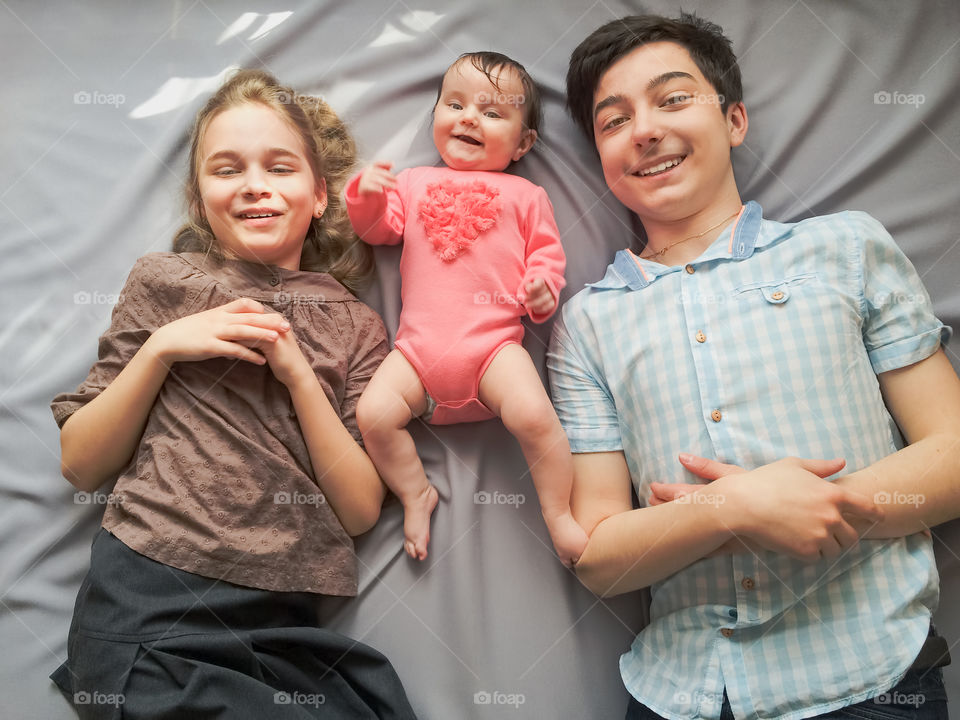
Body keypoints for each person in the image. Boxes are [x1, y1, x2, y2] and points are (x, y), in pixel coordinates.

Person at [551, 13, 960, 720]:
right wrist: (729, 507)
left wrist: (834, 506)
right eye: (613, 121)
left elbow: (954, 454)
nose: (644, 129)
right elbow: (601, 556)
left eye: (673, 99)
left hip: (870, 678)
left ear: (734, 119)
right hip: (679, 693)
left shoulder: (848, 249)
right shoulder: (586, 319)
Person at [51, 69, 416, 719]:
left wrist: (298, 373)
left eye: (279, 168)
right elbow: (81, 460)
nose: (254, 186)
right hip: (150, 605)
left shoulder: (358, 324)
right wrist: (164, 347)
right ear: (199, 200)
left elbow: (361, 510)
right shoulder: (164, 282)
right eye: (227, 170)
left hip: (282, 626)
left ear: (319, 194)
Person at [346, 51, 588, 565]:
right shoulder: (412, 183)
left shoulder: (527, 196)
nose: (469, 117)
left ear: (523, 143)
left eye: (493, 112)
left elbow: (546, 260)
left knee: (535, 417)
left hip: (493, 350)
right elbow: (377, 231)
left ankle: (559, 515)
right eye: (453, 103)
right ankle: (416, 492)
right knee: (372, 414)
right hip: (416, 355)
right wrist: (365, 196)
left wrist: (542, 293)